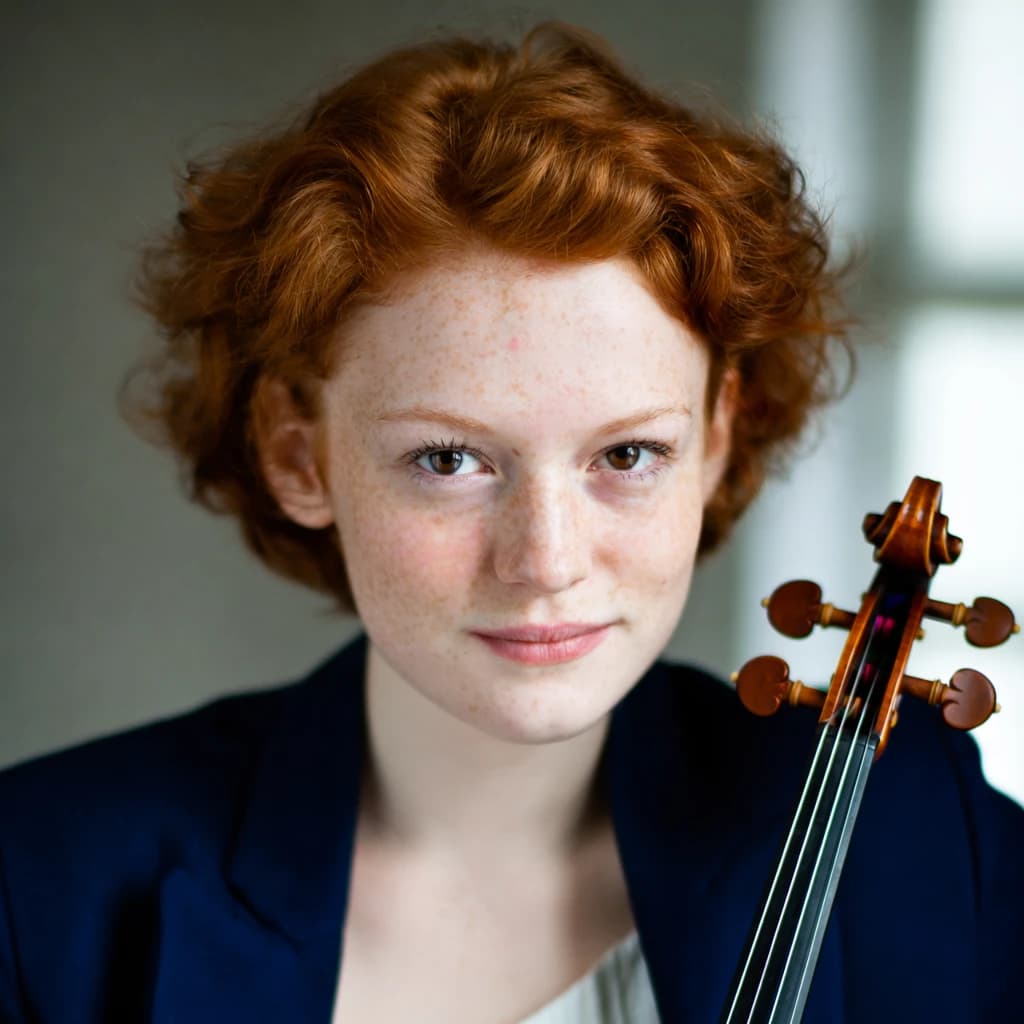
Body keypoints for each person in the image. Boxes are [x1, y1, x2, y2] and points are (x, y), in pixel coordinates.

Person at [1, 22, 1020, 1024]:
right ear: (297, 454)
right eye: (448, 459)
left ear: (716, 438)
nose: (545, 561)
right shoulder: (40, 883)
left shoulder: (925, 844)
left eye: (626, 454)